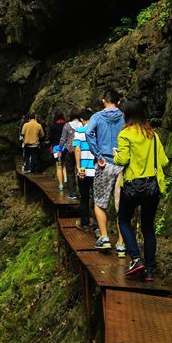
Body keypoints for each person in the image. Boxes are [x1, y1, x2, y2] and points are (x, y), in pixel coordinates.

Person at [114, 98, 168, 280]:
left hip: (131, 187)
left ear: (127, 114)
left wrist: (116, 155)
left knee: (123, 220)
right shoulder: (152, 134)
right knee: (148, 227)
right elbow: (163, 161)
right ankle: (150, 270)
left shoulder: (125, 135)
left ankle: (136, 258)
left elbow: (122, 160)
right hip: (152, 187)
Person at [85, 89, 126, 255]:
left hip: (104, 164)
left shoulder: (96, 116)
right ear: (119, 102)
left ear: (103, 101)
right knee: (122, 206)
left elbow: (88, 132)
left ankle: (104, 238)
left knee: (100, 202)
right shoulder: (124, 116)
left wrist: (98, 155)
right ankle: (122, 244)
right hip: (123, 165)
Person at [73, 108, 99, 233]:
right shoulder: (97, 131)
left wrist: (78, 167)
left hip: (83, 170)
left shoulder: (79, 131)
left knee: (84, 197)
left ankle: (84, 222)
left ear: (82, 119)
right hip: (96, 170)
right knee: (96, 198)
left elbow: (77, 149)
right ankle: (97, 225)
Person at [59, 108, 83, 199]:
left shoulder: (67, 125)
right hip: (81, 151)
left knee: (70, 172)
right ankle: (81, 192)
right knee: (80, 171)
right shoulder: (83, 125)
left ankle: (72, 193)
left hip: (69, 151)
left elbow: (63, 139)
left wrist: (60, 149)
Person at [48, 108, 67, 189]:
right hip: (65, 147)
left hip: (56, 148)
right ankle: (66, 179)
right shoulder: (66, 125)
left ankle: (61, 185)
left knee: (58, 166)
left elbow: (50, 138)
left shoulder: (53, 126)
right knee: (65, 165)